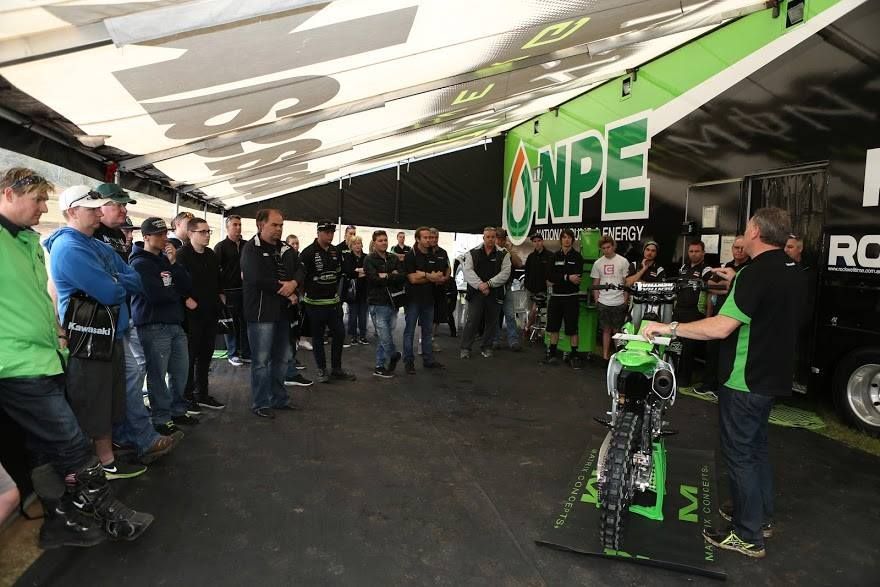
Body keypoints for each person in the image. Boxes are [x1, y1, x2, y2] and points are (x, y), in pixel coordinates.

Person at [0, 167, 152, 546]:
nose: (42, 208)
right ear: (7, 194)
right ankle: (110, 513)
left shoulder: (28, 242)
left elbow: (39, 298)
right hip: (15, 364)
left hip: (49, 355)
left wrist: (58, 333)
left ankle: (60, 520)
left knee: (43, 449)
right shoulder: (51, 244)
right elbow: (113, 288)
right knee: (71, 443)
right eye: (36, 200)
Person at [643, 207, 806, 559]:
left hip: (744, 380)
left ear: (757, 233)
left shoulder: (754, 274)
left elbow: (720, 327)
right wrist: (733, 280)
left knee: (740, 456)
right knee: (757, 450)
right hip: (771, 377)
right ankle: (759, 518)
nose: (743, 234)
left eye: (746, 228)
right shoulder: (792, 270)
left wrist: (667, 328)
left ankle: (747, 535)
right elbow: (767, 304)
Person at [45, 185, 148, 480]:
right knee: (93, 402)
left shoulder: (98, 245)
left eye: (97, 207)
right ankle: (97, 465)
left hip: (109, 334)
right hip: (89, 339)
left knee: (107, 400)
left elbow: (135, 281)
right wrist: (116, 280)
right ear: (71, 212)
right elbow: (110, 290)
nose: (97, 211)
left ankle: (105, 459)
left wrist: (115, 280)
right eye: (91, 208)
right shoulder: (68, 247)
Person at [91, 183, 180, 465]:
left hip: (121, 319)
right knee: (126, 381)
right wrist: (121, 281)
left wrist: (121, 281)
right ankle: (139, 436)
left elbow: (130, 279)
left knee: (128, 380)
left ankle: (131, 434)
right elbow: (112, 284)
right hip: (100, 324)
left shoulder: (116, 236)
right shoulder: (88, 237)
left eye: (124, 204)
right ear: (99, 205)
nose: (124, 210)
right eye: (118, 204)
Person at [241, 209, 312, 418]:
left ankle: (279, 399)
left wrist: (294, 283)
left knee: (281, 358)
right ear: (260, 225)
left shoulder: (285, 248)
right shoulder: (250, 249)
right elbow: (257, 278)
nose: (279, 229)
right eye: (274, 225)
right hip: (261, 314)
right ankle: (260, 403)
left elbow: (301, 267)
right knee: (261, 361)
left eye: (281, 225)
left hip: (283, 313)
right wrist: (286, 290)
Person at [130, 217, 198, 435]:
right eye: (158, 235)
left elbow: (187, 285)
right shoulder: (140, 263)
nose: (163, 238)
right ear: (146, 237)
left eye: (165, 234)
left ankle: (178, 410)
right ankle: (161, 417)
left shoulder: (167, 260)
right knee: (158, 374)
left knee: (180, 371)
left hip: (175, 323)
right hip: (153, 324)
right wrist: (177, 294)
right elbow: (155, 294)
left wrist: (174, 264)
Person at [295, 220, 357, 383]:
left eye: (332, 232)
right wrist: (303, 298)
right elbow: (300, 278)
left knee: (340, 334)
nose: (330, 235)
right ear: (318, 233)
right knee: (318, 337)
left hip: (333, 303)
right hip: (314, 304)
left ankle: (336, 369)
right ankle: (321, 370)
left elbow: (339, 274)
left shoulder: (335, 251)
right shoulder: (307, 253)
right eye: (327, 232)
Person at [177, 217, 227, 411]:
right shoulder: (182, 255)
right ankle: (187, 396)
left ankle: (202, 393)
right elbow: (174, 281)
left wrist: (221, 295)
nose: (207, 235)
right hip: (191, 316)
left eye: (208, 232)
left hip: (210, 312)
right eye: (203, 232)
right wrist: (185, 299)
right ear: (190, 234)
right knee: (190, 357)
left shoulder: (211, 255)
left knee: (206, 355)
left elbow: (218, 279)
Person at [697, 236, 750, 396]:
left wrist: (726, 287)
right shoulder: (726, 266)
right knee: (713, 351)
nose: (739, 251)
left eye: (742, 247)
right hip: (719, 313)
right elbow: (709, 286)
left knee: (729, 354)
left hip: (736, 318)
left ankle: (723, 387)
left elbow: (728, 287)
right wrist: (724, 288)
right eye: (736, 247)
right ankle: (708, 384)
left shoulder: (749, 268)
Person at [459, 227, 511, 359]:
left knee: (492, 322)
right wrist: (481, 285)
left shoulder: (504, 254)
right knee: (472, 320)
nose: (490, 239)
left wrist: (488, 284)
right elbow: (468, 272)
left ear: (496, 238)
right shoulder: (472, 253)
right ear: (483, 238)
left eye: (493, 237)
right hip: (476, 293)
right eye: (487, 237)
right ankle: (465, 348)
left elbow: (505, 274)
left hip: (495, 293)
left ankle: (486, 347)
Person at [403, 227, 447, 373]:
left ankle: (428, 360)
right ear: (418, 239)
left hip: (429, 299)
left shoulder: (433, 255)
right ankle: (409, 362)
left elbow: (440, 275)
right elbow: (413, 279)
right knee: (409, 331)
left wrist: (423, 274)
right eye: (426, 237)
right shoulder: (410, 255)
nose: (429, 240)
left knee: (428, 332)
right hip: (413, 299)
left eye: (430, 237)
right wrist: (429, 276)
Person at [364, 230, 406, 377]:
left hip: (393, 302)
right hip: (377, 302)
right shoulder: (369, 259)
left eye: (385, 240)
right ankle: (393, 355)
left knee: (386, 334)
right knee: (384, 334)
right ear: (374, 242)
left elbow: (402, 277)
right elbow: (373, 279)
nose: (384, 242)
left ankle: (379, 366)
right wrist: (391, 275)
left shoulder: (393, 258)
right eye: (380, 240)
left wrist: (385, 275)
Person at [673, 239, 713, 387]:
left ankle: (685, 380)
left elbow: (710, 292)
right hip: (679, 311)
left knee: (689, 348)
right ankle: (673, 374)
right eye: (691, 251)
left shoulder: (706, 269)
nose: (694, 254)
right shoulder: (684, 267)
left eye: (697, 251)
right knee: (675, 345)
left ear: (703, 252)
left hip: (694, 312)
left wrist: (708, 315)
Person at [543, 229, 584, 368]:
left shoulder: (577, 257)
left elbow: (577, 278)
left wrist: (558, 278)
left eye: (569, 237)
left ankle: (574, 355)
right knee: (554, 327)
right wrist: (567, 277)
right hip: (556, 298)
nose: (566, 240)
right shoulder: (554, 257)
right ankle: (552, 353)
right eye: (564, 237)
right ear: (560, 240)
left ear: (573, 240)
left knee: (572, 329)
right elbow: (549, 276)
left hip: (571, 298)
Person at [215, 214, 250, 367]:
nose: (238, 227)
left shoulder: (247, 245)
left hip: (246, 290)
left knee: (246, 322)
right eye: (234, 225)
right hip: (229, 291)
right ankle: (232, 353)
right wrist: (220, 292)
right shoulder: (221, 246)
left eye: (239, 225)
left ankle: (247, 353)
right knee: (231, 323)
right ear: (227, 227)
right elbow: (215, 271)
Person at [591, 235, 630, 361]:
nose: (606, 250)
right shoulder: (598, 263)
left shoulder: (623, 261)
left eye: (608, 247)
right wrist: (597, 300)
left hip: (619, 302)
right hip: (603, 302)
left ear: (613, 246)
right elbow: (595, 284)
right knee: (606, 330)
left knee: (617, 331)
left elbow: (626, 283)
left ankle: (618, 358)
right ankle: (605, 357)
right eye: (603, 248)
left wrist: (625, 300)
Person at [492, 227, 524, 351]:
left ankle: (513, 340)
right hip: (494, 287)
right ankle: (495, 340)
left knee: (510, 315)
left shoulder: (508, 251)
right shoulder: (491, 251)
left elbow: (519, 264)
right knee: (494, 315)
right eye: (497, 239)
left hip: (507, 286)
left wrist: (510, 249)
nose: (499, 241)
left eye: (502, 239)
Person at [625, 240, 667, 331]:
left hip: (652, 305)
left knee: (648, 331)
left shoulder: (659, 269)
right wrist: (644, 269)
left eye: (653, 251)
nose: (650, 252)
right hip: (635, 302)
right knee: (632, 329)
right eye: (647, 250)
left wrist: (639, 281)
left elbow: (660, 287)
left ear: (656, 253)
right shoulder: (634, 265)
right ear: (644, 251)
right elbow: (628, 283)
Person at [523, 232, 554, 335]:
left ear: (542, 241)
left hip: (542, 291)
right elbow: (526, 272)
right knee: (529, 311)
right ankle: (532, 330)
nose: (537, 243)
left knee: (534, 310)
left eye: (539, 241)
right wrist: (527, 285)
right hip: (530, 289)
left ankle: (527, 329)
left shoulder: (550, 256)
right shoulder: (531, 257)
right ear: (532, 243)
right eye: (535, 241)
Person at [428, 227, 454, 346]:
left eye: (436, 237)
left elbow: (448, 267)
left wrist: (446, 278)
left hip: (440, 288)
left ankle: (432, 339)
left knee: (438, 315)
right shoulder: (424, 252)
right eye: (431, 237)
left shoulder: (443, 252)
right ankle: (424, 340)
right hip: (427, 289)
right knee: (427, 315)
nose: (434, 240)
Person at [343, 236, 370, 345]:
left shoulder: (367, 257)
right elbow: (348, 272)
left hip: (364, 291)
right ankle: (353, 336)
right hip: (352, 292)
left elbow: (369, 271)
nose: (357, 245)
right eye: (355, 244)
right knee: (353, 315)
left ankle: (363, 335)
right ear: (351, 246)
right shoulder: (348, 257)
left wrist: (358, 271)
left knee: (363, 316)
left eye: (359, 243)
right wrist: (360, 272)